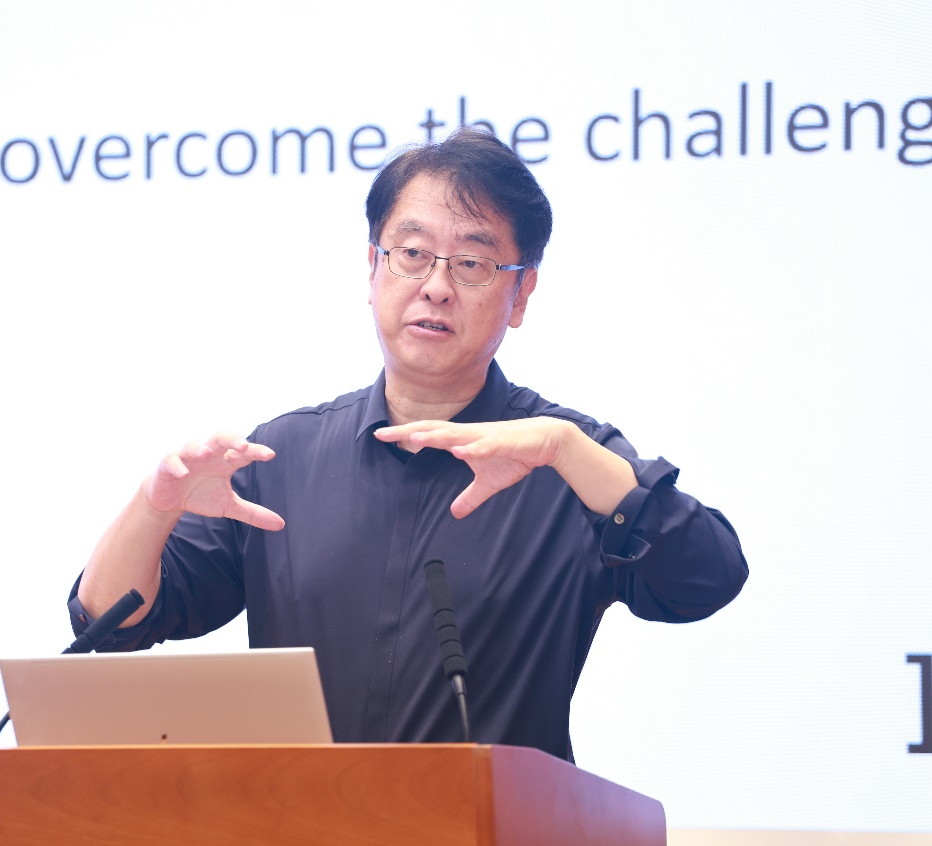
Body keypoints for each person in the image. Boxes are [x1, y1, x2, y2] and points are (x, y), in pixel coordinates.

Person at [68, 128, 747, 762]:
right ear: (373, 268)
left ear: (520, 294)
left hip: (493, 826)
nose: (436, 287)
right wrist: (154, 507)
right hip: (304, 823)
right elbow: (111, 623)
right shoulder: (281, 458)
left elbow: (706, 580)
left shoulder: (566, 458)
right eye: (413, 254)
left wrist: (571, 454)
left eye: (473, 263)